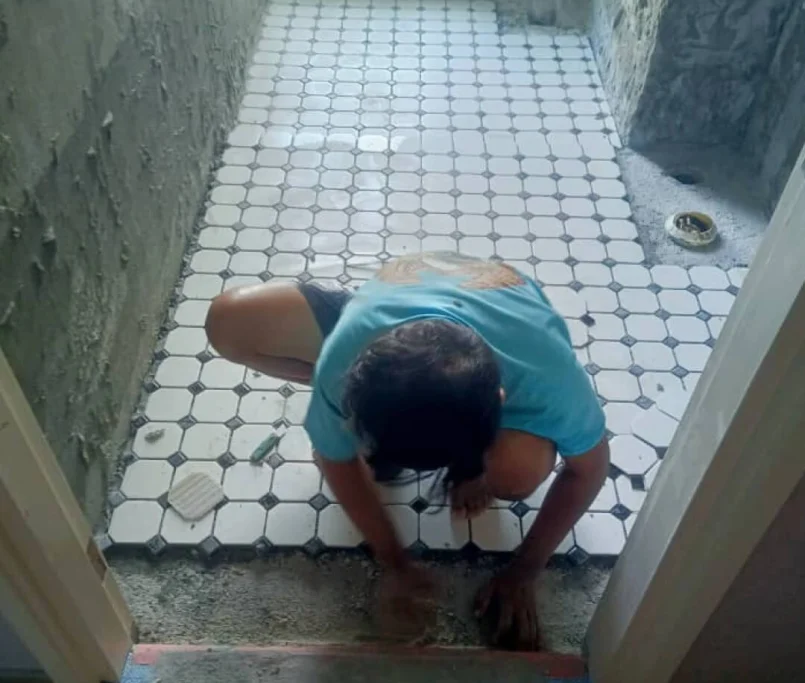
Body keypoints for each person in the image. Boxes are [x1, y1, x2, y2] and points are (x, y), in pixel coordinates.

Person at [205, 252, 609, 650]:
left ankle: (463, 457)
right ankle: (362, 415)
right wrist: (394, 562)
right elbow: (338, 462)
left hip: (500, 318)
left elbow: (589, 470)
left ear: (501, 401)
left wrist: (525, 571)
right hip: (390, 311)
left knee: (516, 472)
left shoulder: (549, 379)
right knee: (227, 321)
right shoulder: (343, 363)